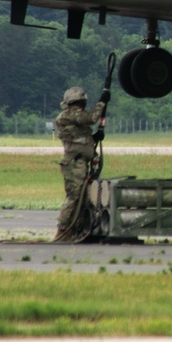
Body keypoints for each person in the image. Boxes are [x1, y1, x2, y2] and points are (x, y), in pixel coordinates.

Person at [52, 85, 108, 241]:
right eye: (80, 103)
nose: (81, 107)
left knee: (85, 199)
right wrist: (102, 103)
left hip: (82, 163)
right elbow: (91, 119)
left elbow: (81, 137)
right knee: (74, 197)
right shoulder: (68, 116)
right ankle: (63, 232)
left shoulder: (74, 118)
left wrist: (95, 138)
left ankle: (77, 231)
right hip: (74, 164)